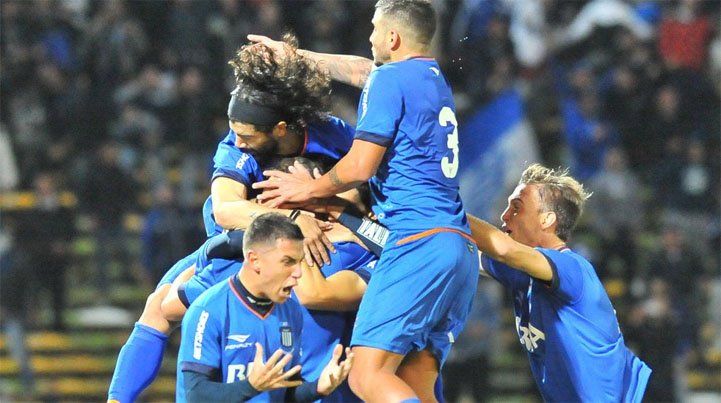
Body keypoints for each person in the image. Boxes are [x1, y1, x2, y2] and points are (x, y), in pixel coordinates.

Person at [107, 39, 356, 403]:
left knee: (165, 305)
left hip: (283, 251)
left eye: (246, 135)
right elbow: (225, 209)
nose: (237, 142)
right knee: (159, 305)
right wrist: (293, 217)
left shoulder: (333, 134)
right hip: (241, 240)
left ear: (281, 129)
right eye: (234, 131)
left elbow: (366, 180)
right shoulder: (235, 148)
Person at [253, 1, 479, 401]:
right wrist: (295, 56)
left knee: (365, 375)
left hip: (415, 242)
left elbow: (360, 166)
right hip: (457, 247)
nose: (370, 37)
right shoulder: (431, 79)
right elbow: (361, 70)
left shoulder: (390, 79)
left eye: (375, 29)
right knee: (414, 381)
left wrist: (305, 191)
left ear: (392, 37)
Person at [467, 163, 651, 402]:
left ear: (547, 219)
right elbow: (463, 255)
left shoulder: (571, 267)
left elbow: (503, 249)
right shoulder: (523, 273)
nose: (505, 215)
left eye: (517, 207)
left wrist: (445, 209)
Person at [176, 213, 353, 402]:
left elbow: (283, 392)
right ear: (254, 260)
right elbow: (195, 394)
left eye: (299, 261)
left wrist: (317, 387)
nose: (298, 272)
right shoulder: (208, 310)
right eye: (288, 261)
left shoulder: (291, 311)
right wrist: (251, 386)